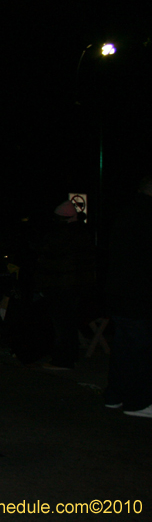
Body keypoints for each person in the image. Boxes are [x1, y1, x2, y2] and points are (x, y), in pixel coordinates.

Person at [104, 175, 152, 417]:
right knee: (141, 352)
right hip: (139, 296)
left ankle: (115, 396)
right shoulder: (145, 216)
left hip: (121, 294)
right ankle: (138, 402)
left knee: (124, 350)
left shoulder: (127, 213)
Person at [32, 200, 96, 370]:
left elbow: (51, 259)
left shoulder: (62, 235)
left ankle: (63, 360)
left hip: (61, 286)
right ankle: (69, 357)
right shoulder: (82, 233)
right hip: (75, 286)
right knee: (68, 323)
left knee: (62, 324)